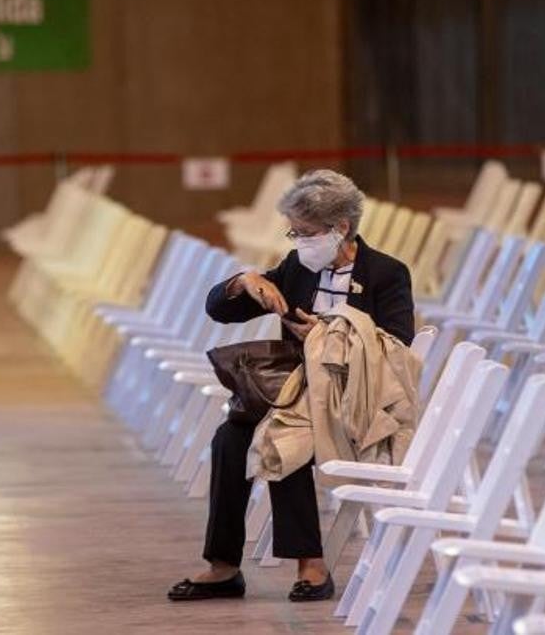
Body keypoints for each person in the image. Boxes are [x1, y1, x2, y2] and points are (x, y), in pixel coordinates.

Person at [167, 170, 414, 602]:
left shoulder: (386, 274)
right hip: (297, 391)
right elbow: (220, 312)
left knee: (289, 436)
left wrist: (325, 335)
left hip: (353, 399)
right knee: (230, 438)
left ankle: (311, 564)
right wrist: (243, 281)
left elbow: (396, 346)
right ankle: (223, 566)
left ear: (341, 228)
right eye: (294, 232)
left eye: (307, 232)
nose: (299, 241)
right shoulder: (297, 268)